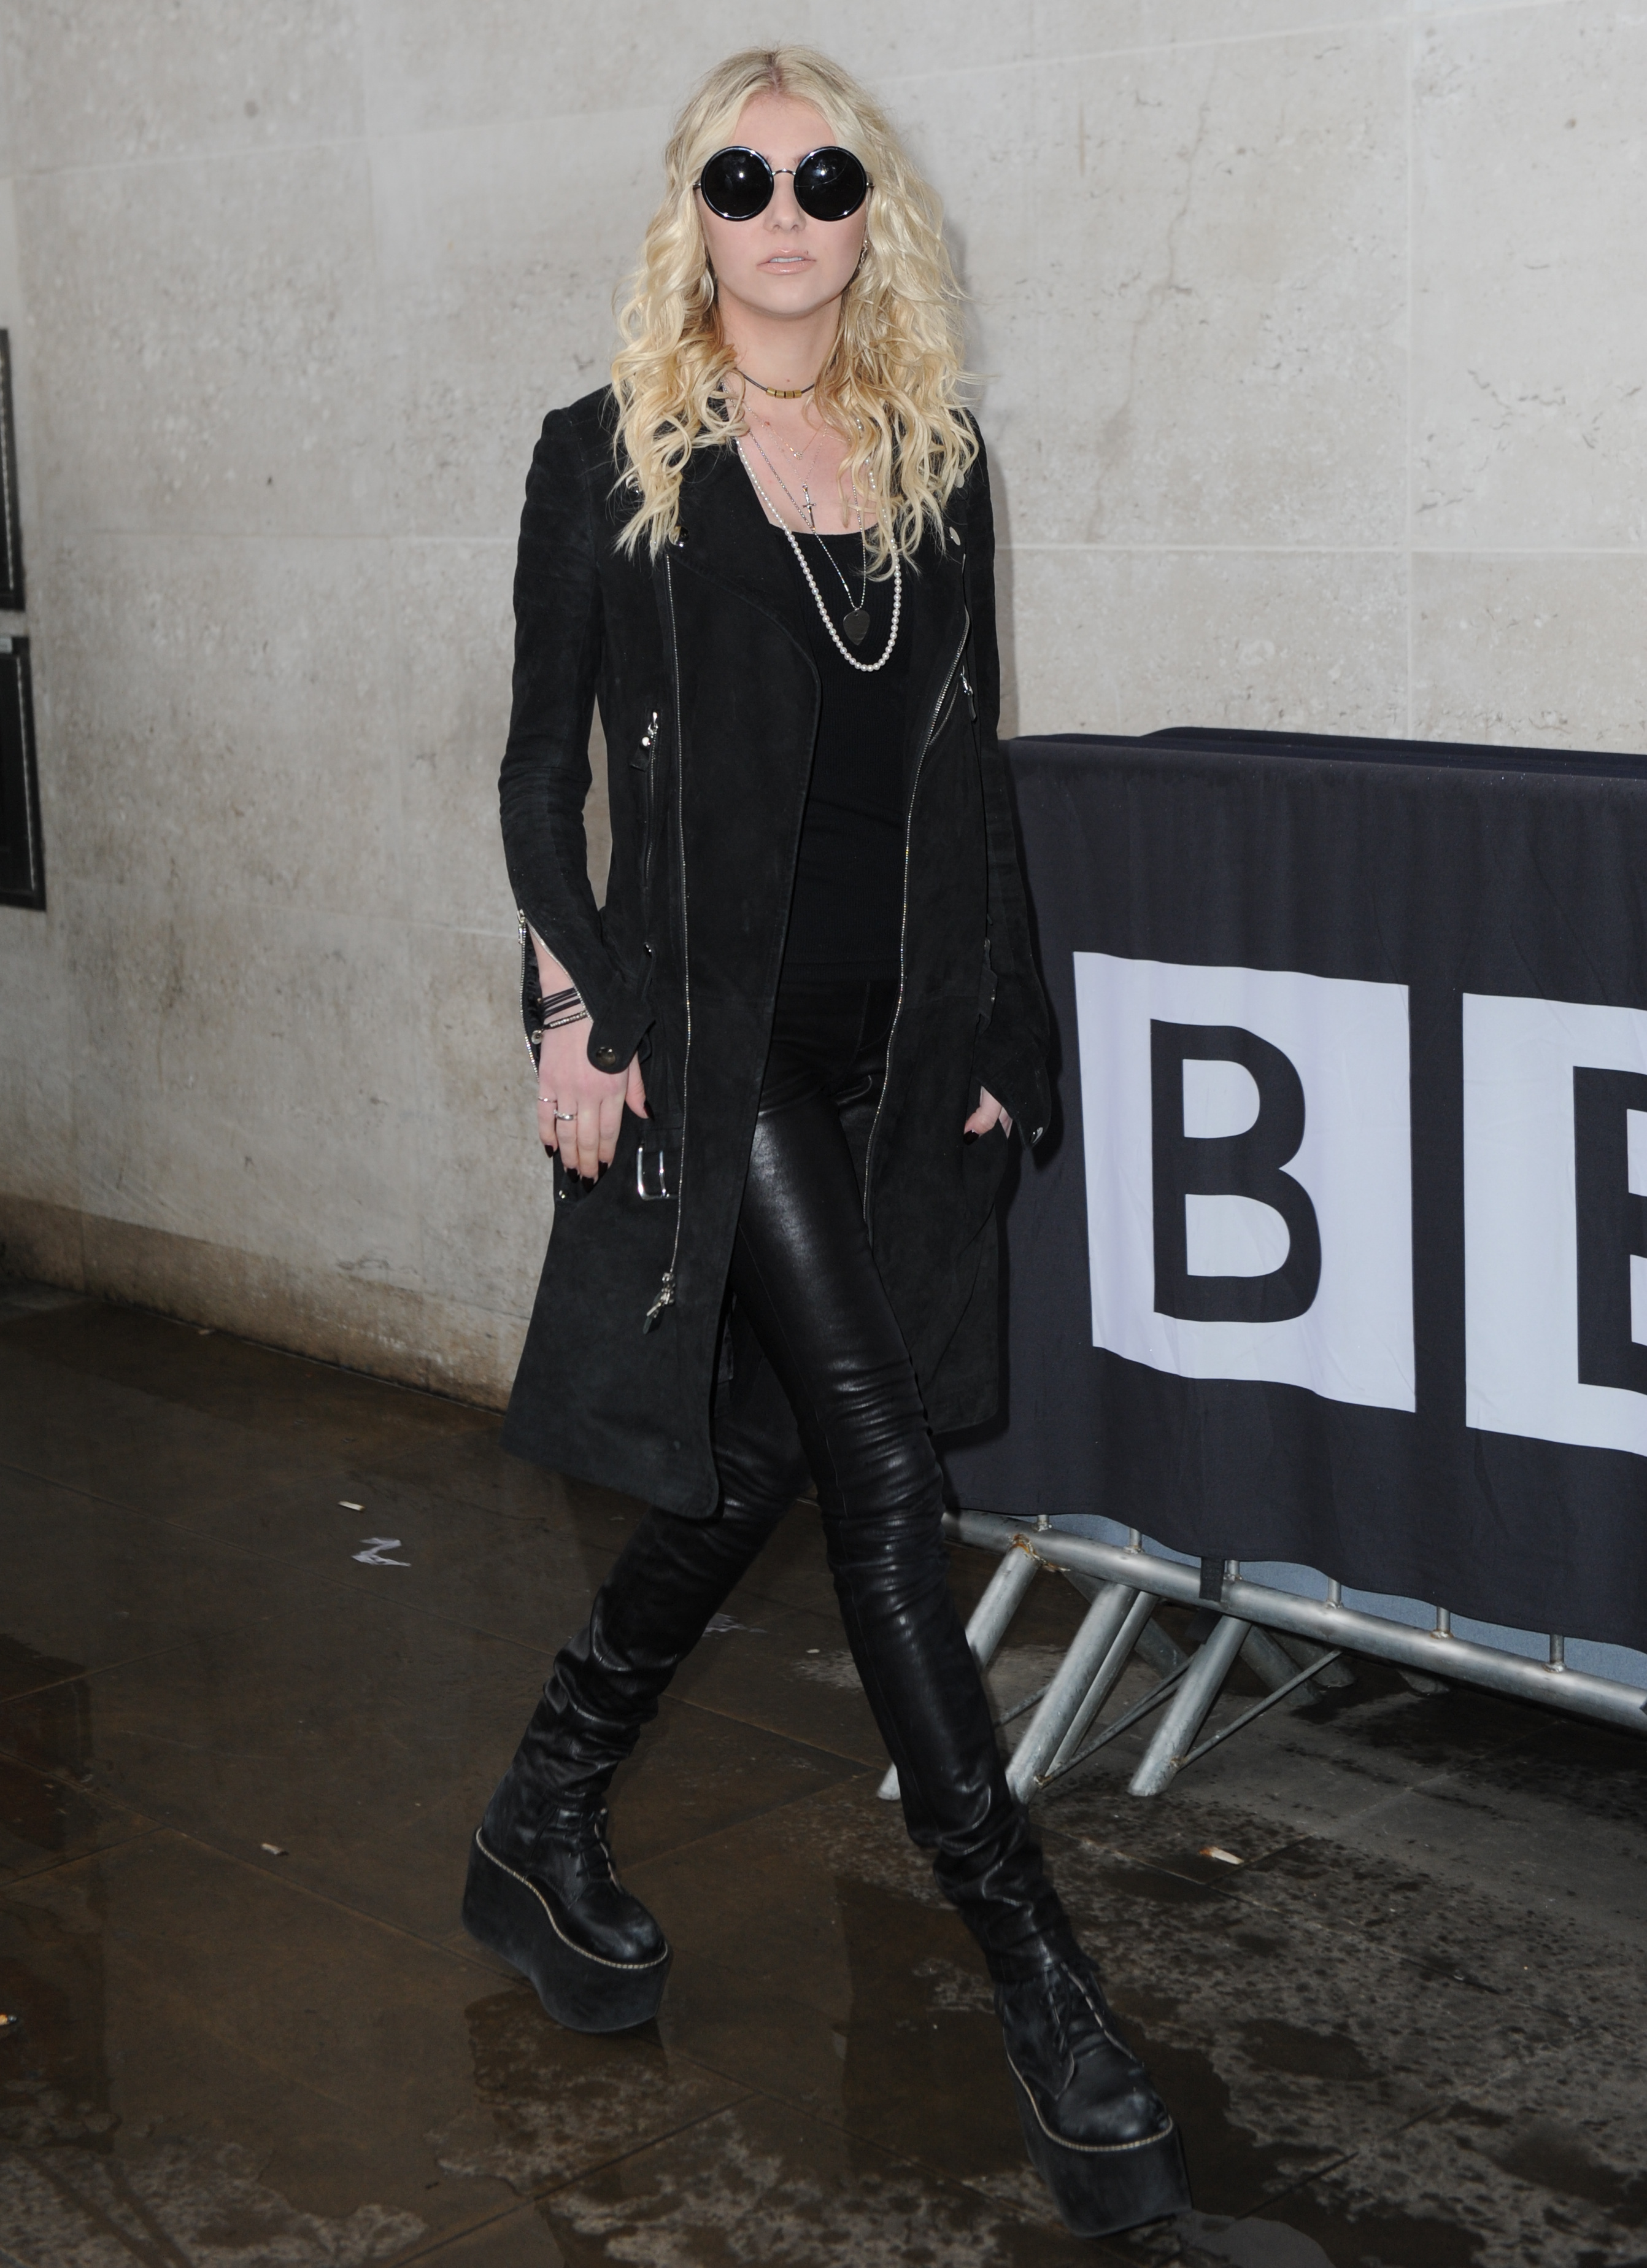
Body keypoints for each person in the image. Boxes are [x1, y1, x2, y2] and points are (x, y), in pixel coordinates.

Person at [464, 45, 1189, 2241]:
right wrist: (570, 1008)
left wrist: (997, 1022)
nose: (783, 215)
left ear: (873, 215)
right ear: (691, 213)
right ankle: (1043, 1993)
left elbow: (971, 777)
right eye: (741, 179)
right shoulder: (608, 454)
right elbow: (537, 774)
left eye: (823, 177)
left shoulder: (939, 462)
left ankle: (540, 1817)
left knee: (766, 1460)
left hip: (897, 1045)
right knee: (881, 1474)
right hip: (714, 1047)